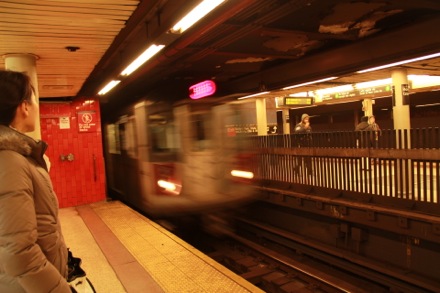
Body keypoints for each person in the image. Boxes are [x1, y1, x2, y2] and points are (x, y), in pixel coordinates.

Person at [0, 70, 72, 292]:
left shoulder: (16, 158)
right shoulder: (11, 161)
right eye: (34, 99)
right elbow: (19, 251)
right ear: (24, 106)